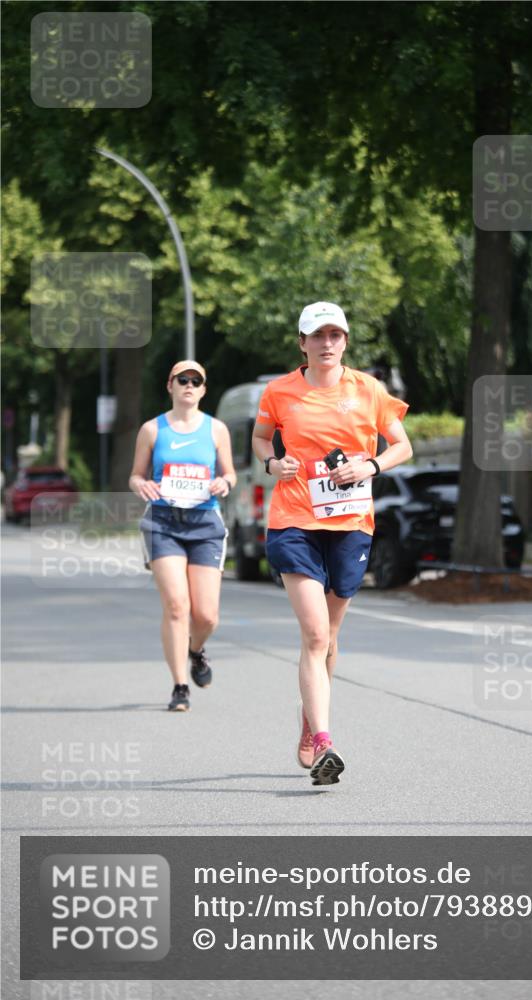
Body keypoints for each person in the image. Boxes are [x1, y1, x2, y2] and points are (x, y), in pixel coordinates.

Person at [252, 302, 412, 785]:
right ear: (301, 342)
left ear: (345, 341)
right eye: (316, 335)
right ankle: (324, 741)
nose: (326, 343)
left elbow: (402, 445)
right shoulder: (280, 391)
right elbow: (262, 439)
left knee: (331, 638)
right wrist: (272, 463)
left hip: (351, 523)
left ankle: (308, 720)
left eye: (334, 335)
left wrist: (371, 465)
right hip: (294, 520)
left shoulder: (368, 389)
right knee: (316, 635)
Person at [129, 360, 236, 712]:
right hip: (163, 523)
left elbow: (230, 474)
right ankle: (180, 686)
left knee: (206, 616)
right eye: (182, 379)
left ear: (204, 389)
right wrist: (142, 485)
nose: (189, 385)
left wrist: (225, 482)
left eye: (196, 380)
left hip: (205, 523)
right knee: (177, 605)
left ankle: (196, 650)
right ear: (170, 385)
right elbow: (135, 476)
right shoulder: (152, 430)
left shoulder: (216, 429)